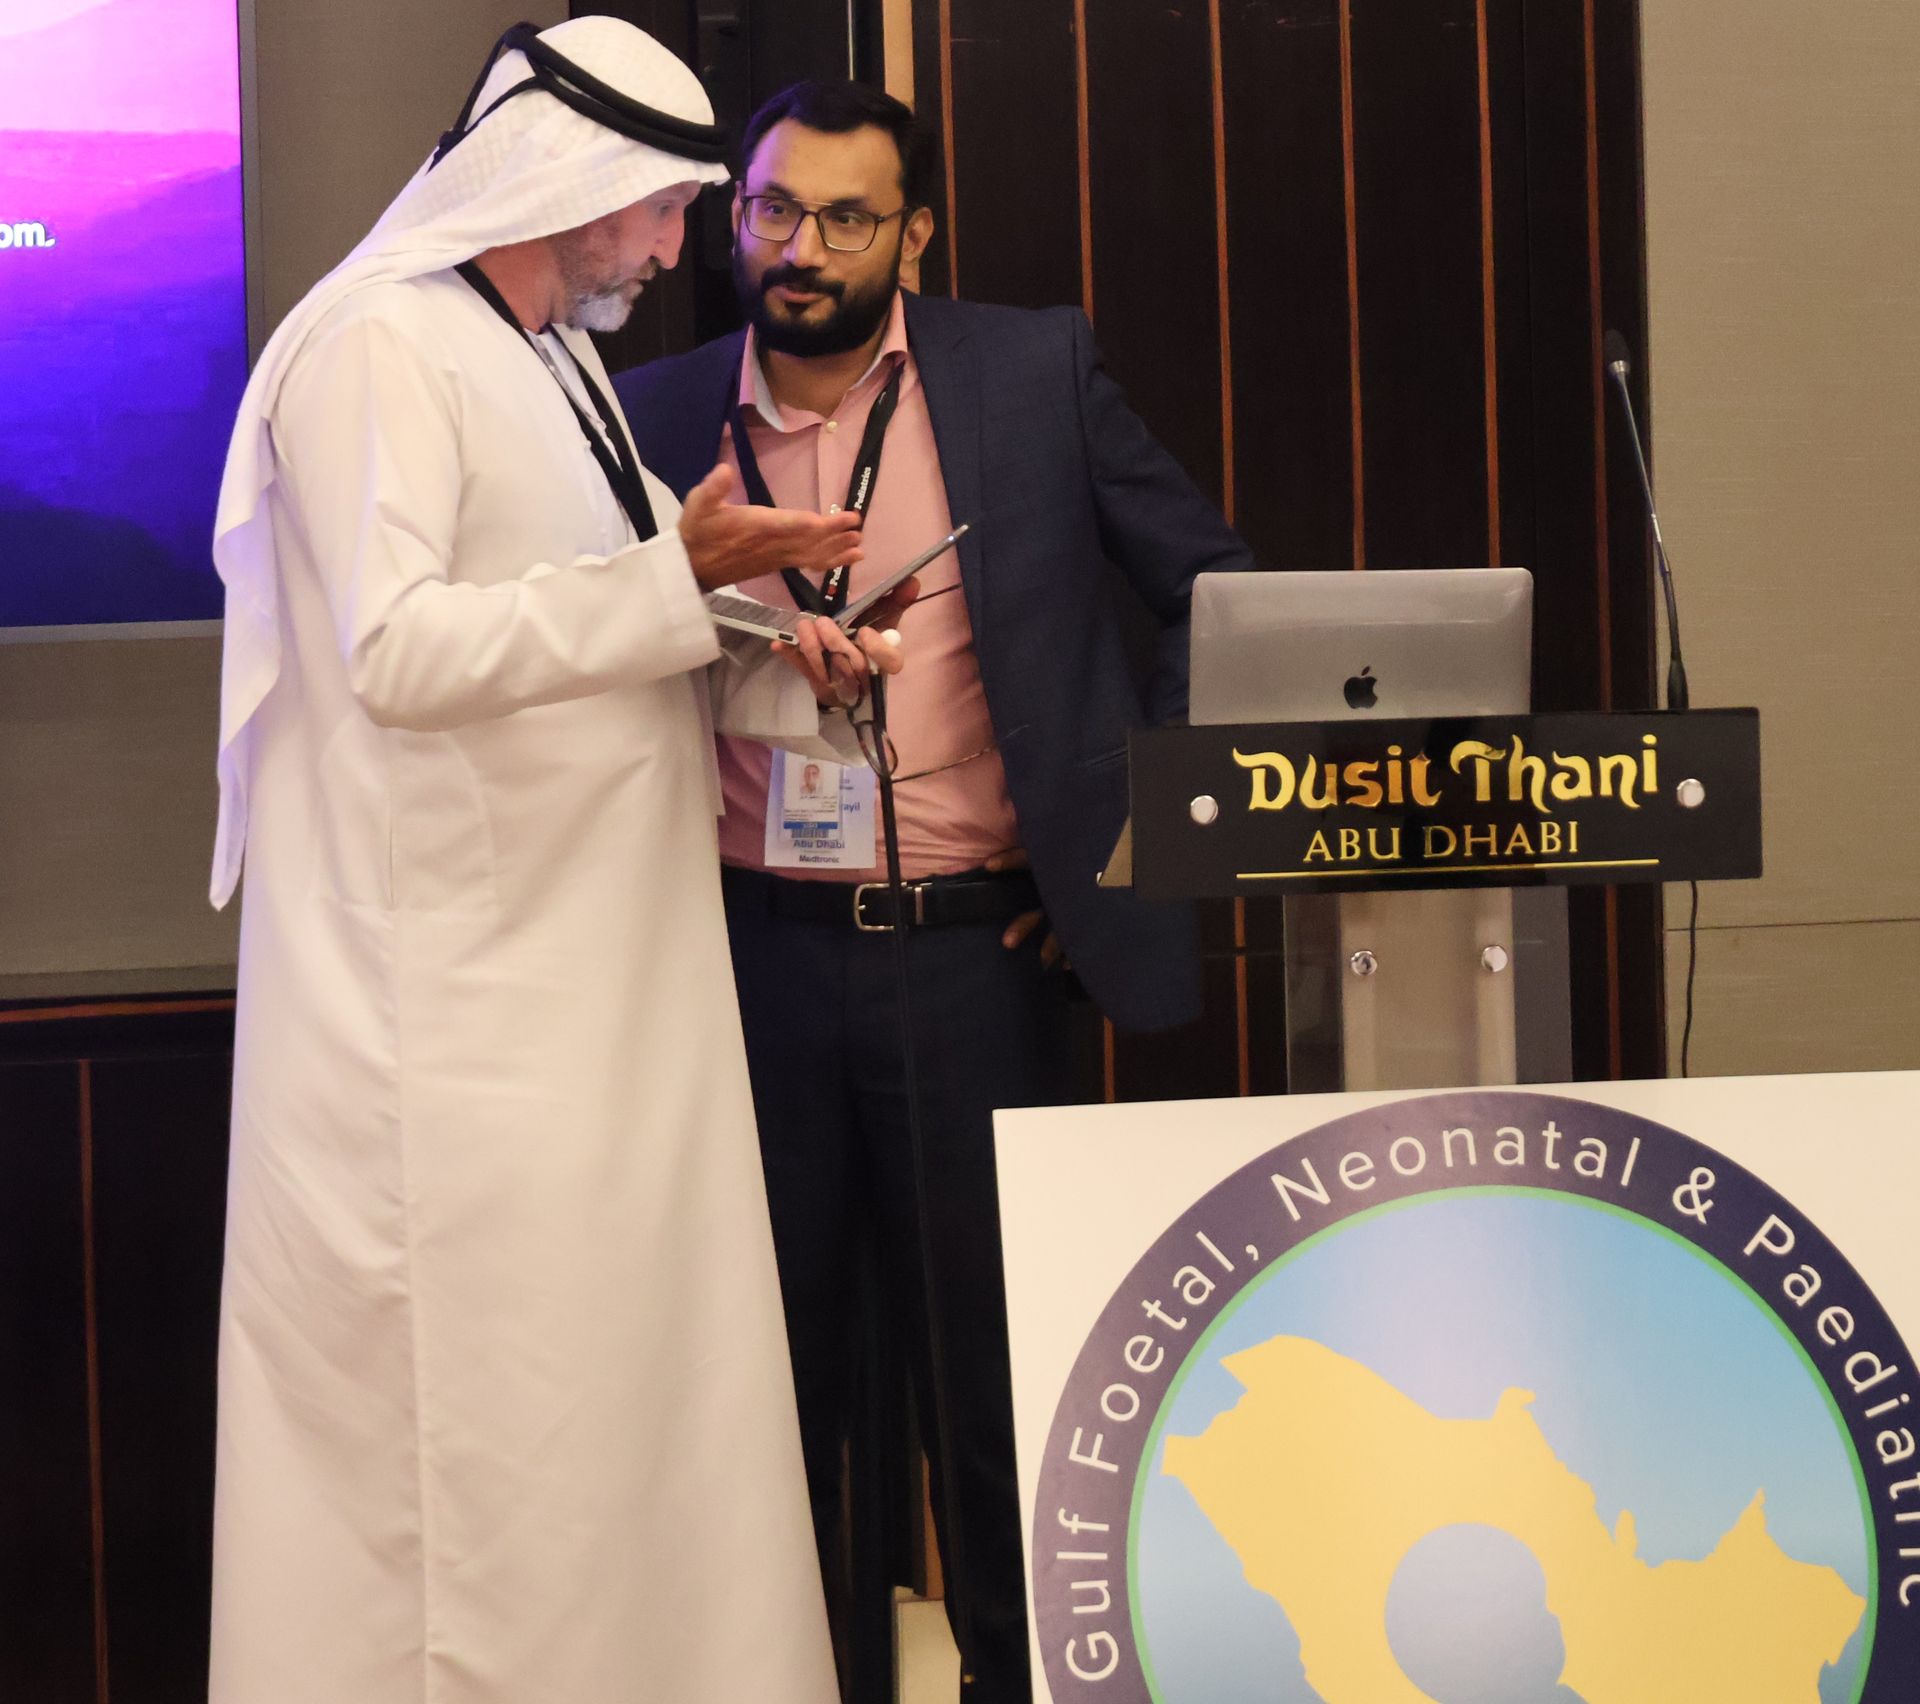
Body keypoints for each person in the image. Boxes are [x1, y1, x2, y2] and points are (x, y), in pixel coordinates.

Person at [205, 23, 904, 1704]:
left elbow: (610, 621)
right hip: (453, 1035)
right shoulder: (380, 347)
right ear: (567, 182)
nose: (675, 252)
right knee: (490, 1459)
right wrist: (684, 581)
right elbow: (397, 651)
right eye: (662, 209)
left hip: (596, 1008)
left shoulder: (547, 359)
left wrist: (777, 646)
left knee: (614, 1438)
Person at [615, 79, 1255, 1702]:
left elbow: (1215, 590)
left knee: (997, 1387)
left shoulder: (1027, 374)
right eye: (773, 209)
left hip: (976, 961)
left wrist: (1126, 842)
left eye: (847, 217)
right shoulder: (646, 411)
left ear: (913, 235)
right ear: (733, 217)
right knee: (768, 1398)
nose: (802, 248)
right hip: (739, 968)